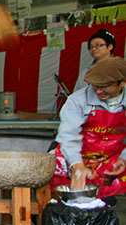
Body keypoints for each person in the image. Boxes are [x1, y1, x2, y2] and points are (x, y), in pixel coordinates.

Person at [51, 56, 126, 204]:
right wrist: (76, 164)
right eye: (94, 85)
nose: (98, 90)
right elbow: (68, 135)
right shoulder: (77, 101)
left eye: (105, 86)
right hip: (76, 155)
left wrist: (124, 159)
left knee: (105, 202)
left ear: (122, 82)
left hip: (110, 157)